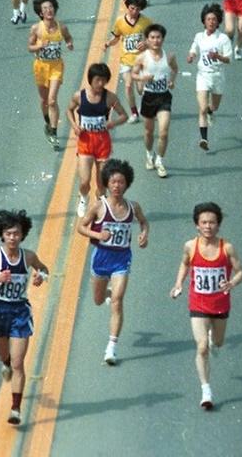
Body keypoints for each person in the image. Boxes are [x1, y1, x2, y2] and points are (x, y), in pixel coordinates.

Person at [0, 210, 48, 425]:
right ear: (2, 235)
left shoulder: (29, 256)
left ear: (23, 235)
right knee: (4, 356)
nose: (13, 237)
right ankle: (4, 362)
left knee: (18, 363)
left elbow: (44, 269)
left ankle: (16, 408)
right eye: (9, 233)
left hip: (20, 313)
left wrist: (39, 276)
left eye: (16, 233)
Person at [170, 201, 242, 410]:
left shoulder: (227, 247)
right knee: (201, 346)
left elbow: (241, 272)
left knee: (218, 343)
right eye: (203, 222)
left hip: (220, 304)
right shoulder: (190, 246)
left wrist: (232, 282)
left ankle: (214, 338)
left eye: (212, 222)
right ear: (197, 225)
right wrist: (178, 284)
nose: (208, 226)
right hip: (198, 303)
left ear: (218, 225)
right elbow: (185, 263)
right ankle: (206, 389)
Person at [77, 159, 149, 365]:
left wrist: (144, 234)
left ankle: (111, 347)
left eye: (121, 182)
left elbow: (144, 222)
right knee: (99, 300)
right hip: (101, 258)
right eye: (113, 181)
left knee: (118, 301)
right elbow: (81, 227)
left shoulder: (133, 207)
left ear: (127, 184)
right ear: (107, 183)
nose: (117, 186)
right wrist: (97, 235)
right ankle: (107, 294)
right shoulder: (99, 207)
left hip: (121, 259)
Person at [66, 63, 127, 218]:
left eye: (104, 80)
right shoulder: (79, 96)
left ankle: (100, 205)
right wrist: (74, 125)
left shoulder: (110, 98)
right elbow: (69, 110)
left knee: (101, 182)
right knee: (85, 180)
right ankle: (84, 198)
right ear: (90, 79)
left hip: (102, 142)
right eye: (98, 80)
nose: (101, 84)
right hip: (85, 141)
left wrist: (113, 123)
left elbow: (123, 115)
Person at [132, 24, 178, 178]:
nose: (156, 40)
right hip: (149, 97)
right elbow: (134, 74)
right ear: (147, 39)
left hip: (164, 97)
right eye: (152, 37)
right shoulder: (142, 57)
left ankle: (160, 161)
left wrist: (171, 81)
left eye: (158, 37)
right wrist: (142, 78)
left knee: (163, 132)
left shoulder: (169, 56)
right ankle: (149, 154)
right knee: (149, 132)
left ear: (163, 39)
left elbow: (175, 69)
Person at [28, 0, 73, 149]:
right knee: (44, 101)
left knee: (52, 100)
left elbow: (68, 37)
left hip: (56, 67)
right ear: (41, 13)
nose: (49, 10)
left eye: (51, 7)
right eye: (45, 8)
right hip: (41, 66)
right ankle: (47, 121)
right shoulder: (36, 28)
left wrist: (69, 44)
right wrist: (40, 46)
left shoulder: (62, 27)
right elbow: (30, 47)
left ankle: (53, 132)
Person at [187, 3, 233, 152]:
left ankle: (211, 112)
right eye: (208, 19)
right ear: (204, 21)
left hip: (217, 76)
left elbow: (229, 59)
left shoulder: (223, 39)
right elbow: (194, 48)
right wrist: (192, 55)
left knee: (213, 106)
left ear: (218, 21)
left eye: (214, 19)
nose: (211, 22)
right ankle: (204, 139)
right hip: (203, 75)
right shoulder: (199, 36)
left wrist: (218, 56)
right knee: (202, 108)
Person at [105, 0, 152, 123]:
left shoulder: (146, 22)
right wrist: (108, 44)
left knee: (140, 88)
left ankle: (145, 103)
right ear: (127, 7)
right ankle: (134, 113)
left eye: (137, 9)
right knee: (128, 85)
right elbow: (116, 38)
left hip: (141, 60)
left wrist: (146, 43)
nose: (134, 11)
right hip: (126, 60)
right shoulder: (120, 21)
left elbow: (153, 39)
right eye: (132, 8)